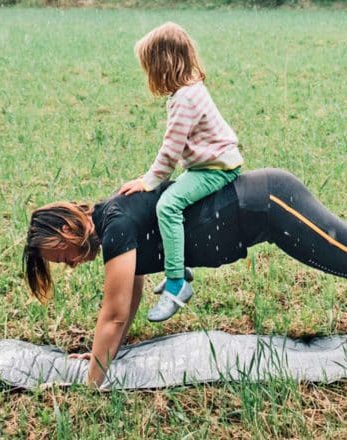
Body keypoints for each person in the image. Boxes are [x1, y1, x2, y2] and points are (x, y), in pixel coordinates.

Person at [23, 168, 347, 387]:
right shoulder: (114, 221)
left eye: (59, 253)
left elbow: (111, 315)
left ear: (69, 226)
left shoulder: (113, 226)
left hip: (269, 205)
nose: (66, 264)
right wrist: (100, 355)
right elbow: (126, 301)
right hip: (266, 203)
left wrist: (92, 382)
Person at [117, 22, 243, 323]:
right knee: (172, 200)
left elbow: (171, 150)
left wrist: (148, 181)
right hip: (209, 162)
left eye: (149, 67)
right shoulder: (188, 90)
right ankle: (180, 264)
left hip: (216, 168)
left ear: (162, 65)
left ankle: (177, 284)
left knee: (168, 205)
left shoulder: (185, 99)